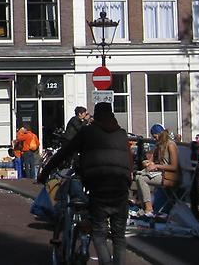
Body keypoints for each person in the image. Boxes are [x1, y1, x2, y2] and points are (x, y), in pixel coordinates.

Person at [38, 102, 132, 265]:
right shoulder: (122, 134)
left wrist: (45, 173)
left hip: (99, 188)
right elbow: (129, 160)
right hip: (121, 188)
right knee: (119, 236)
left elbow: (64, 152)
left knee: (99, 233)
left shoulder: (87, 132)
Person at [134, 124, 179, 218]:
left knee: (142, 179)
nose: (154, 139)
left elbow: (174, 166)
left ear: (160, 134)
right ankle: (144, 206)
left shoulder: (171, 145)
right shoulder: (159, 145)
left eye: (155, 137)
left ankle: (148, 208)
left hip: (170, 176)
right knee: (138, 175)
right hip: (161, 173)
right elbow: (155, 162)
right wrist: (148, 163)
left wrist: (156, 166)